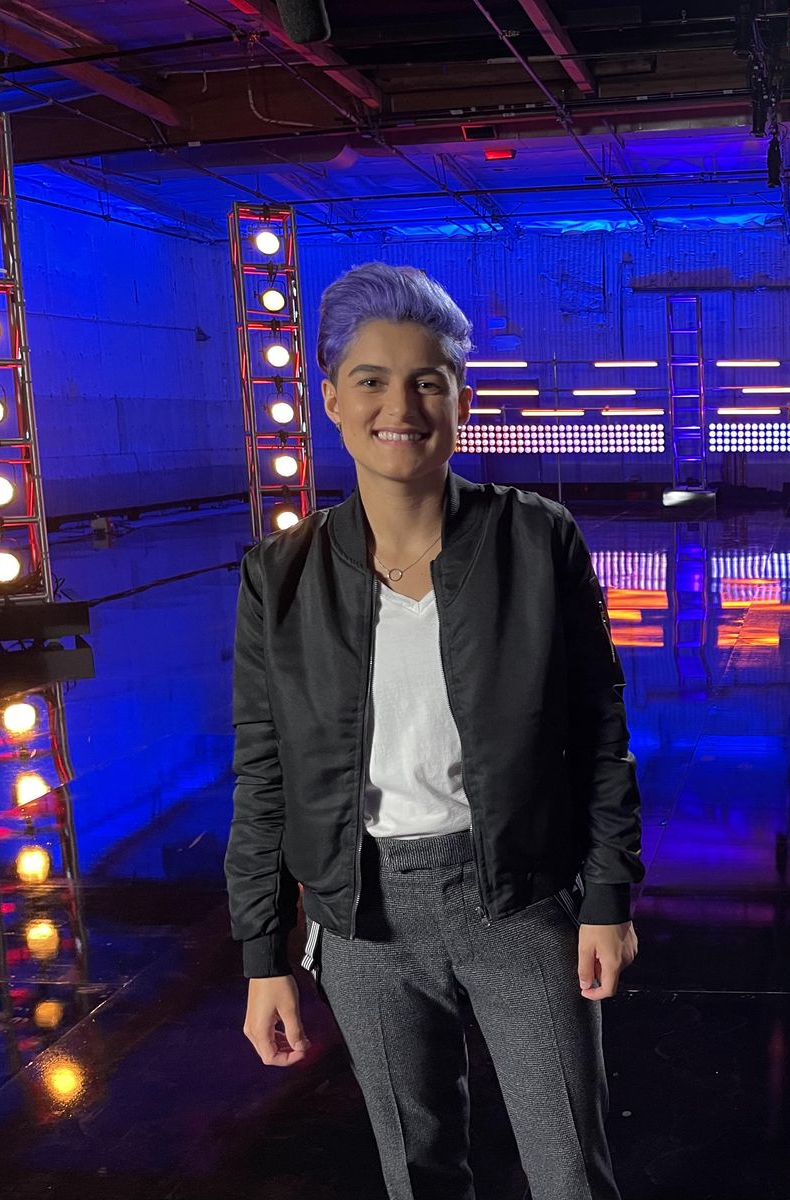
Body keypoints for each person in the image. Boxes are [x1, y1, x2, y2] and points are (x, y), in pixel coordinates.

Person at [224, 261, 643, 1200]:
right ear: (332, 398)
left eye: (427, 380)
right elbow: (263, 774)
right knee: (417, 1174)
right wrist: (264, 957)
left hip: (522, 899)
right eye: (371, 379)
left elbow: (599, 732)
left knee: (569, 1171)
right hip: (363, 917)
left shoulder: (536, 539)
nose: (400, 405)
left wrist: (608, 897)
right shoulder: (280, 576)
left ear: (462, 398)